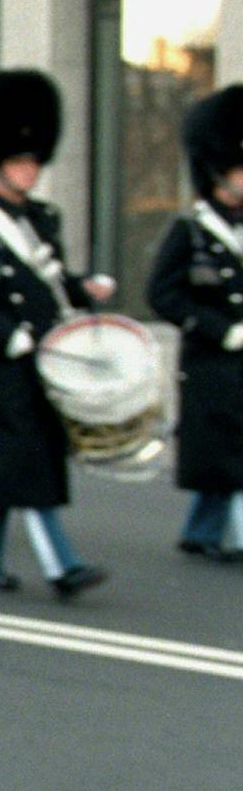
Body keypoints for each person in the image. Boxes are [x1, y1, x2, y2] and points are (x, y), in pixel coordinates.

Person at [0, 69, 113, 600]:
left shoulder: (43, 221)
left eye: (32, 161)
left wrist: (82, 289)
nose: (28, 171)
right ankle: (62, 567)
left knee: (4, 469)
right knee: (27, 465)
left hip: (40, 363)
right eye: (17, 162)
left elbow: (45, 285)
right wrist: (4, 336)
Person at [146, 84, 243, 563]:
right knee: (226, 454)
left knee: (232, 458)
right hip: (212, 361)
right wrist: (220, 329)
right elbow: (162, 294)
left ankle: (200, 532)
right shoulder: (190, 231)